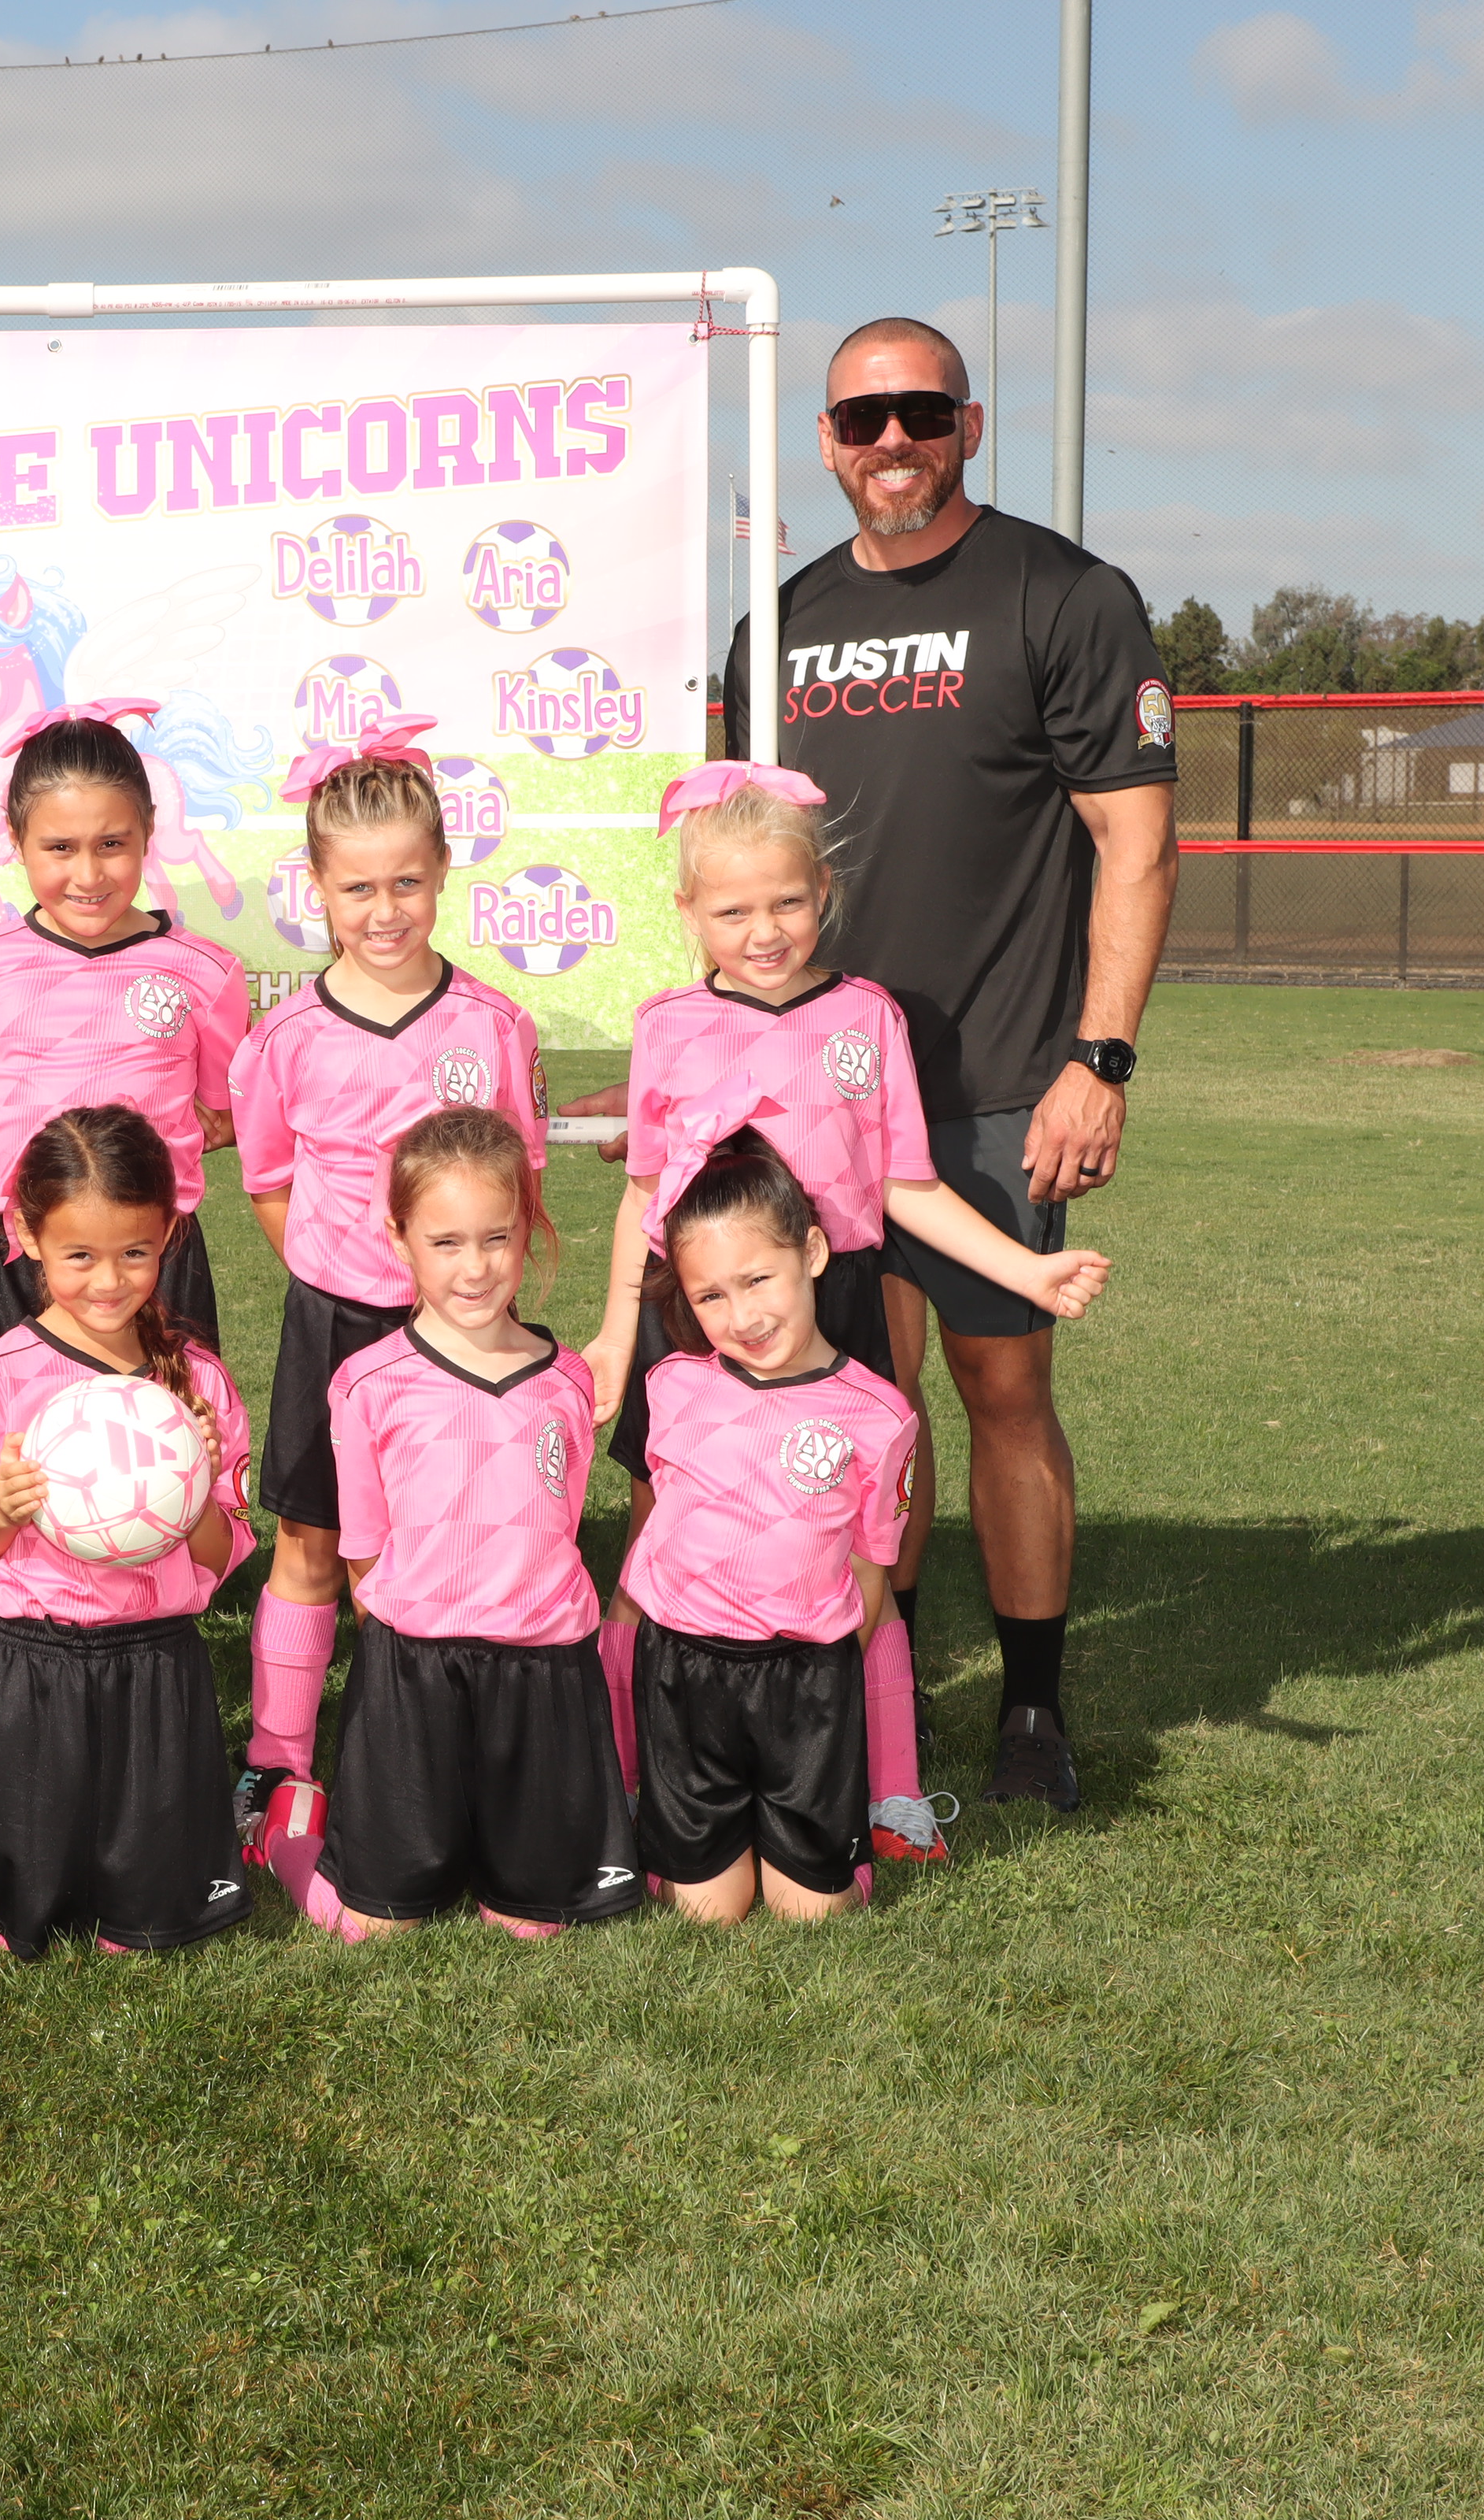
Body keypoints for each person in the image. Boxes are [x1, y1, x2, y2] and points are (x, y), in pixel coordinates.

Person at [711, 315, 1176, 1813]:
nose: (892, 442)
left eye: (921, 412)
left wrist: (1098, 1057)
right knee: (852, 1392)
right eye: (862, 420)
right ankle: (882, 1681)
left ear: (970, 426)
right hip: (811, 1084)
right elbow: (736, 867)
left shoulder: (1063, 595)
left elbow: (1135, 842)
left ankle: (1032, 1709)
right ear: (827, 443)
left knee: (1002, 1384)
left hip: (994, 1076)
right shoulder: (776, 627)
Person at [582, 762, 1108, 1876]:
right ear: (689, 912)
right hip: (699, 1318)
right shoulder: (669, 1025)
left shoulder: (867, 1016)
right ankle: (623, 1773)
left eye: (786, 901)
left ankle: (893, 1791)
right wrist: (619, 1338)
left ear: (824, 891)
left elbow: (906, 1186)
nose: (763, 930)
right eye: (733, 910)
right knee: (661, 1540)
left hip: (836, 1311)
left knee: (851, 1552)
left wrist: (1027, 1270)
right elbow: (646, 1197)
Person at [225, 718, 547, 1834]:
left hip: (464, 1331)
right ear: (316, 886)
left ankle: (434, 1741)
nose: (384, 909)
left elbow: (517, 1187)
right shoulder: (284, 1038)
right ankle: (277, 1761)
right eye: (357, 886)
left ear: (444, 870)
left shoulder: (494, 1027)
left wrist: (456, 1294)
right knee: (313, 1539)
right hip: (335, 1324)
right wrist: (338, 1272)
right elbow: (270, 1184)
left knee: (447, 1535)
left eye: (407, 881)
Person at [257, 1106, 636, 1942]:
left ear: (529, 1230)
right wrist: (415, 1645)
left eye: (497, 1238)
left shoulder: (568, 1381)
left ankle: (495, 1837)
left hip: (543, 1677)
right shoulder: (367, 1384)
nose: (475, 1266)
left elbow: (558, 1527)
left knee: (532, 1924)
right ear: (399, 1238)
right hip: (415, 1675)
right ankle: (288, 1837)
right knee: (374, 1927)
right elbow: (363, 1553)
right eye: (447, 1242)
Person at [0, 1105, 256, 1959]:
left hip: (157, 1667)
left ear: (169, 1233)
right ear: (27, 1235)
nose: (109, 1280)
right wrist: (4, 1508)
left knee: (146, 1925)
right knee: (22, 1915)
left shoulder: (199, 1381)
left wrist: (196, 1492)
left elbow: (222, 1557)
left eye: (135, 1252)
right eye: (80, 1255)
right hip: (31, 1667)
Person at [624, 1128, 921, 1926]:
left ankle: (830, 1822)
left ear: (813, 1252)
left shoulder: (879, 1414)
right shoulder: (671, 1386)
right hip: (686, 1675)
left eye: (758, 1278)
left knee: (812, 1915)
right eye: (711, 1296)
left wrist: (825, 1680)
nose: (743, 1316)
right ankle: (679, 1818)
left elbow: (872, 1569)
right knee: (707, 1913)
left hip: (806, 1684)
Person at [0, 706, 246, 1373]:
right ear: (15, 839)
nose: (88, 875)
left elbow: (218, 1117)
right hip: (9, 1247)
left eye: (111, 844)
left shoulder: (207, 973)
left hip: (150, 1255)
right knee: (1, 1434)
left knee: (168, 1431)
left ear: (148, 831)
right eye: (60, 848)